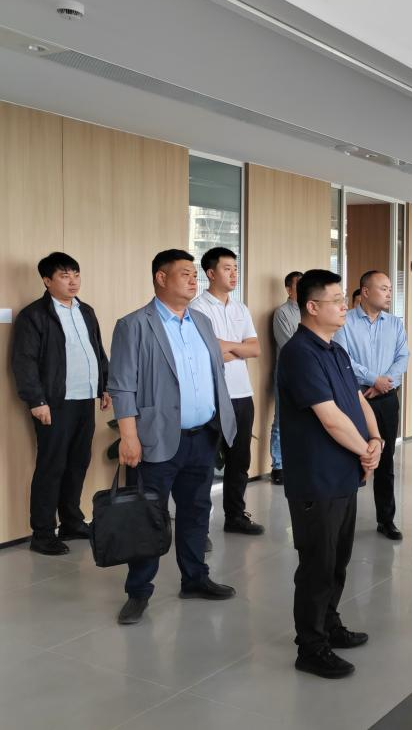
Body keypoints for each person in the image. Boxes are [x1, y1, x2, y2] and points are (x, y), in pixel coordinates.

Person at [109, 249, 237, 626]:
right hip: (156, 438)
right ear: (161, 278)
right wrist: (128, 437)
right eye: (185, 274)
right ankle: (138, 591)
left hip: (202, 436)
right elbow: (122, 386)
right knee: (148, 516)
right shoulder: (134, 325)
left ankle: (195, 578)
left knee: (197, 511)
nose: (194, 280)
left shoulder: (201, 321)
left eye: (195, 274)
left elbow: (215, 374)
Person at [278, 269, 381, 679]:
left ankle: (329, 623)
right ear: (312, 306)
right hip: (316, 478)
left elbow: (357, 399)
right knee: (317, 566)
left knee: (338, 560)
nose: (344, 306)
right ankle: (311, 647)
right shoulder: (299, 353)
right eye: (337, 300)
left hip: (344, 473)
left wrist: (376, 438)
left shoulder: (335, 350)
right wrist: (366, 451)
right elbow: (330, 418)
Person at [12, 252, 110, 555]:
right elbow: (24, 361)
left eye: (76, 275)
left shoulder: (86, 310)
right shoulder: (34, 315)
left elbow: (98, 351)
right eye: (65, 276)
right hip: (54, 403)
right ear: (47, 280)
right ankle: (42, 533)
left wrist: (104, 386)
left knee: (78, 463)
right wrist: (37, 400)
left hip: (85, 399)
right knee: (51, 466)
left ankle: (71, 521)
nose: (73, 281)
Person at [191, 247, 264, 535]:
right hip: (211, 395)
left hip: (242, 394)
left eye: (235, 268)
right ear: (210, 273)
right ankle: (198, 527)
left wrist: (225, 347)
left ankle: (235, 516)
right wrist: (237, 348)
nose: (234, 274)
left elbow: (255, 349)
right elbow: (208, 353)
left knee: (239, 459)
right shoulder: (197, 308)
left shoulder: (240, 309)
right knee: (204, 462)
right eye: (227, 268)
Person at [335, 270, 409, 540]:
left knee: (385, 460)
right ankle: (342, 520)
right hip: (356, 397)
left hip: (386, 399)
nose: (389, 293)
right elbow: (343, 358)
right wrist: (373, 379)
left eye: (390, 288)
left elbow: (403, 357)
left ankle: (386, 520)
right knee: (350, 457)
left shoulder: (395, 323)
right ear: (365, 292)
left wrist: (383, 383)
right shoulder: (345, 322)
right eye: (384, 288)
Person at [270, 270, 302, 485]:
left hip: (310, 373)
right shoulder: (282, 313)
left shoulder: (312, 310)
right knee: (281, 420)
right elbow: (290, 346)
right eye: (298, 286)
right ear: (289, 289)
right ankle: (278, 466)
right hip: (288, 373)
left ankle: (299, 462)